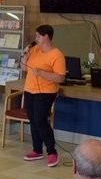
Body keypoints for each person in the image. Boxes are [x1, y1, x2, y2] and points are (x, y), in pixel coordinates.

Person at [20, 24, 66, 167]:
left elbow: (60, 77)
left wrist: (42, 73)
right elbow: (23, 68)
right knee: (33, 120)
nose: (36, 38)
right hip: (30, 90)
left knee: (40, 120)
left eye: (38, 36)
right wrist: (25, 54)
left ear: (46, 37)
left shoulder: (56, 54)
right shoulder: (34, 50)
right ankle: (37, 150)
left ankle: (52, 152)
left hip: (46, 92)